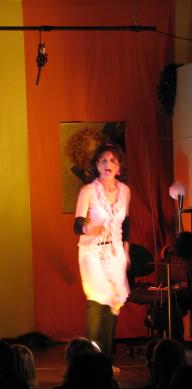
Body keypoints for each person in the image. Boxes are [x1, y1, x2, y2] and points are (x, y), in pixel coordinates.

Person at [74, 143, 130, 364]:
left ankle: (106, 357)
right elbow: (77, 225)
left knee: (114, 301)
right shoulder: (88, 191)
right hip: (91, 250)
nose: (108, 164)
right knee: (97, 298)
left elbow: (127, 223)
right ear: (97, 165)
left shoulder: (125, 191)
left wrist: (126, 250)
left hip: (115, 250)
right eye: (103, 160)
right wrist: (88, 228)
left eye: (113, 160)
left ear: (119, 167)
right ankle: (92, 358)